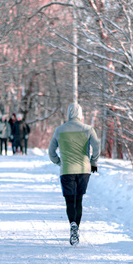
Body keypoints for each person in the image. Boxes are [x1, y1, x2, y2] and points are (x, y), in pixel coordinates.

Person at [48, 103, 100, 246]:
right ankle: (77, 226)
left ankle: (72, 225)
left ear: (68, 113)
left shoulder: (59, 130)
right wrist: (93, 162)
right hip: (84, 170)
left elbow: (51, 152)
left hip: (67, 170)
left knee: (70, 201)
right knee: (79, 200)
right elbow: (96, 146)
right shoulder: (88, 129)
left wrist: (59, 162)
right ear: (80, 114)